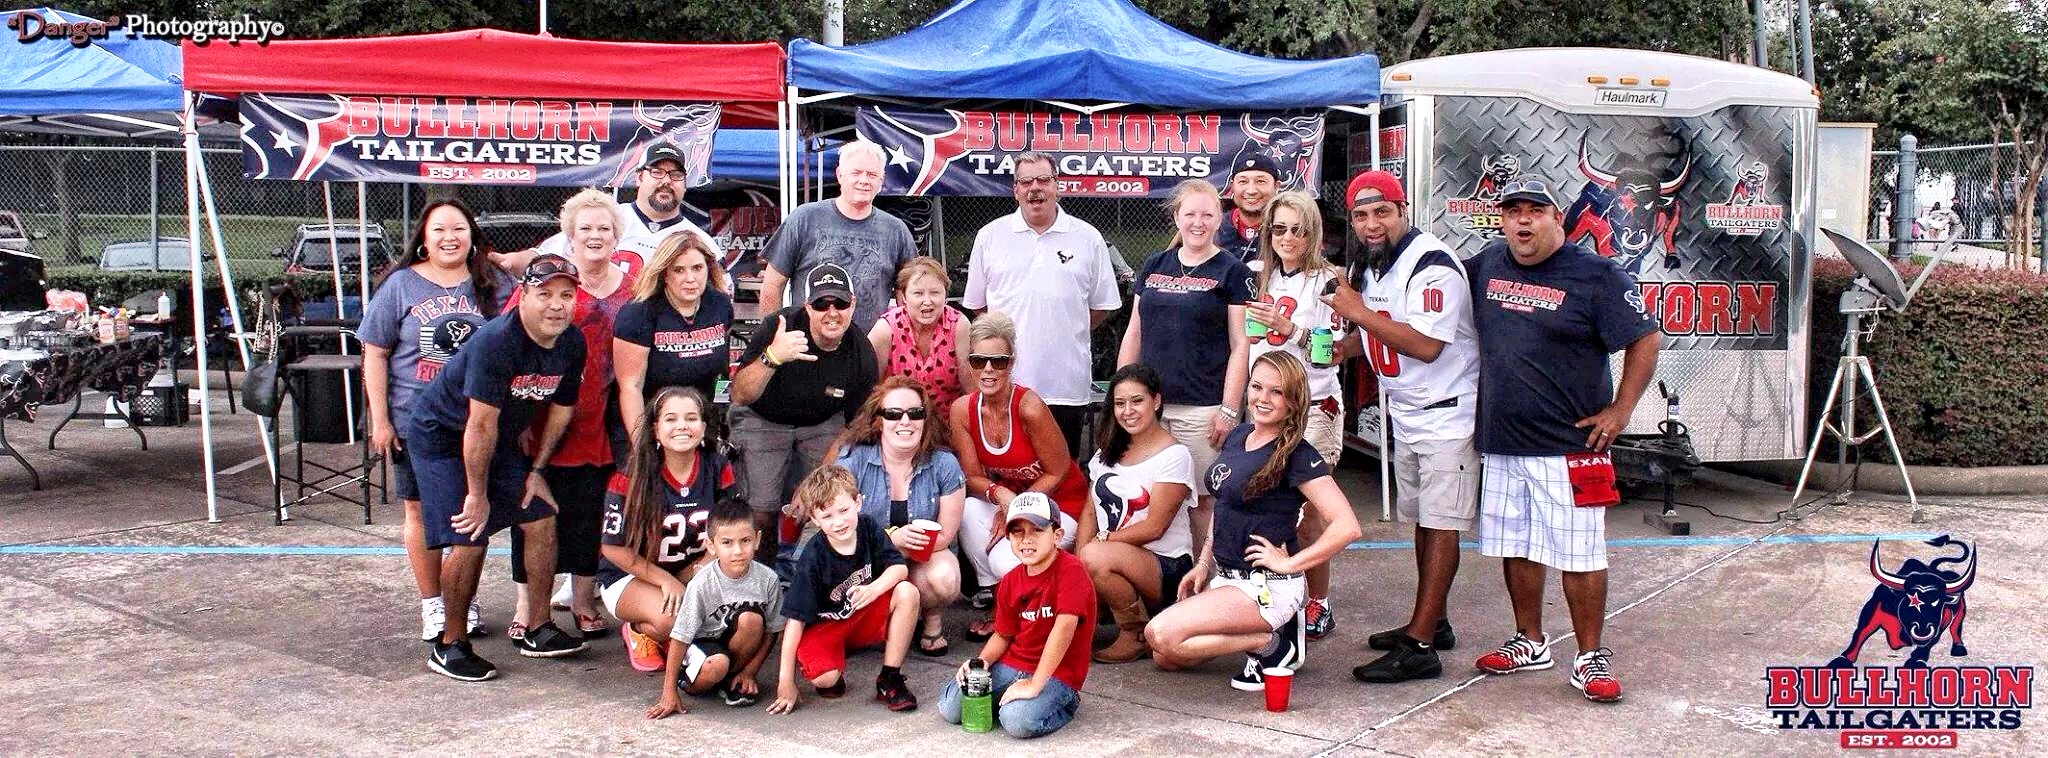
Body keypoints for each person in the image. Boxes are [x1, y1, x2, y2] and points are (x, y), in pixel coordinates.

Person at [1463, 178, 1660, 704]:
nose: (1523, 222)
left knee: (1580, 554)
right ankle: (1530, 640)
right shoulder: (1486, 265)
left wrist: (1621, 411)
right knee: (1516, 547)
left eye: (1535, 211)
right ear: (1501, 220)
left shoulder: (1597, 274)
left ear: (1559, 219)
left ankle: (1590, 656)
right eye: (1513, 212)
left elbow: (1645, 337)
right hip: (1503, 441)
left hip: (1572, 447)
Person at [1322, 171, 1481, 684]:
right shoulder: (1374, 266)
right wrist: (1322, 344)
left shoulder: (1431, 264)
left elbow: (1426, 346)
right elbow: (1372, 339)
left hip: (1446, 411)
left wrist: (1357, 312)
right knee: (1423, 520)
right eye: (1362, 215)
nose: (1371, 224)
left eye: (1382, 211)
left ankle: (1419, 646)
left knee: (1441, 523)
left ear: (1403, 208)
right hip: (1409, 412)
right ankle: (1432, 621)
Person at [404, 254, 592, 681]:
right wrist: (477, 494)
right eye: (544, 294)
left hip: (498, 438)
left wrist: (536, 470)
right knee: (471, 533)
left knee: (541, 517)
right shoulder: (497, 341)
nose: (557, 305)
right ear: (523, 295)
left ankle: (538, 627)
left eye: (567, 295)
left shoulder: (571, 343)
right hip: (444, 436)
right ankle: (450, 645)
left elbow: (561, 413)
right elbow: (479, 424)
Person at [1144, 352, 1362, 692]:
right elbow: (1225, 504)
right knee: (1166, 657)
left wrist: (1290, 563)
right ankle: (1264, 637)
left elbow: (1347, 526)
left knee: (1159, 634)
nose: (1262, 398)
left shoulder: (1298, 454)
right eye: (1257, 387)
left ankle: (1272, 645)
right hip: (1227, 580)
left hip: (1267, 586)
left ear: (1293, 401)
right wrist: (1204, 563)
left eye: (1276, 392)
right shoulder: (1238, 435)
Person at [361, 199, 507, 643]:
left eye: (459, 228)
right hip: (414, 419)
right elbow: (375, 353)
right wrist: (381, 420)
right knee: (420, 511)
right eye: (439, 229)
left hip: (477, 421)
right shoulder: (401, 284)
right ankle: (433, 603)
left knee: (470, 515)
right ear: (423, 238)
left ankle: (462, 599)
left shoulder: (493, 283)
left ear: (472, 234)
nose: (449, 237)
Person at [508, 189, 636, 639]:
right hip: (541, 415)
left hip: (601, 418)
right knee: (532, 512)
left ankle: (583, 599)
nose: (595, 236)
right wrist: (519, 417)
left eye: (604, 228)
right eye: (586, 228)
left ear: (617, 235)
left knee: (588, 513)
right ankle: (527, 607)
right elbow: (512, 338)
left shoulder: (632, 287)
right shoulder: (547, 279)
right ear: (569, 234)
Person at [1118, 179, 1252, 567]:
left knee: (1202, 500)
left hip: (1202, 409)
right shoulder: (1153, 265)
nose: (1198, 222)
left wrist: (1229, 409)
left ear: (1219, 220)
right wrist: (1124, 394)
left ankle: (1205, 582)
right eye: (1190, 214)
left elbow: (1241, 344)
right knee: (1145, 496)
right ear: (1176, 217)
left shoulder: (1232, 271)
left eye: (1207, 215)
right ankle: (1157, 582)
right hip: (1150, 408)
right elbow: (1134, 331)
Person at [961, 152, 1123, 455]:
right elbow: (979, 307)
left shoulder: (1088, 238)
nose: (1035, 188)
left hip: (1065, 387)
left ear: (1057, 186)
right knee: (1009, 470)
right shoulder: (990, 236)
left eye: (1043, 180)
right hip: (1006, 383)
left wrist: (1066, 328)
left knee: (1062, 475)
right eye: (1026, 182)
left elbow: (1102, 306)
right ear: (1016, 190)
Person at [1244, 190, 1350, 642]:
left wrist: (1294, 332)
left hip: (1315, 408)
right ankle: (1279, 591)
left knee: (1312, 515)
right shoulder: (1262, 275)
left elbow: (1332, 356)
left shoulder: (1328, 280)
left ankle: (1317, 603)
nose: (1288, 237)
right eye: (1279, 228)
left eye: (1298, 229)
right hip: (1267, 409)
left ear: (1314, 233)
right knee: (1270, 506)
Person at [950, 312, 1092, 638]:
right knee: (969, 510)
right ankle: (996, 600)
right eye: (979, 360)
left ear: (1011, 362)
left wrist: (1019, 509)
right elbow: (971, 475)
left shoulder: (1029, 407)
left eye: (998, 361)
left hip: (1062, 505)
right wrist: (1001, 497)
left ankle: (1030, 610)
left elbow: (1058, 471)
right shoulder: (963, 411)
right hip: (1011, 499)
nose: (988, 370)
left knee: (1008, 562)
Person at [730, 263, 880, 563]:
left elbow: (854, 426)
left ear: (853, 304)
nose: (832, 311)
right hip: (764, 418)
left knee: (828, 499)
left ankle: (815, 575)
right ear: (807, 306)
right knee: (761, 508)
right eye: (821, 303)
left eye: (840, 302)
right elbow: (739, 394)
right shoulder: (778, 327)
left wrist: (813, 480)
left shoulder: (861, 352)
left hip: (823, 422)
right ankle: (761, 582)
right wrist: (772, 357)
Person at [596, 386, 737, 674]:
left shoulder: (716, 467)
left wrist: (693, 573)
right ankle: (639, 630)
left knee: (738, 620)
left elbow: (730, 531)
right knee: (674, 619)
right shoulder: (631, 475)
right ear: (655, 430)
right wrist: (664, 580)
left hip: (693, 570)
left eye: (691, 418)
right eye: (671, 419)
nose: (682, 426)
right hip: (631, 575)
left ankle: (666, 638)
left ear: (704, 426)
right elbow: (612, 548)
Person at [826, 376, 966, 657]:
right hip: (866, 560)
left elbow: (946, 535)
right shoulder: (852, 461)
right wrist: (891, 539)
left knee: (945, 577)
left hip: (920, 558)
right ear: (878, 421)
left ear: (925, 419)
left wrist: (906, 545)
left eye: (915, 413)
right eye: (893, 414)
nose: (906, 421)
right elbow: (834, 527)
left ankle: (931, 618)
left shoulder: (944, 464)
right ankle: (886, 618)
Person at [937, 493, 1096, 739]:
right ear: (1008, 536)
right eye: (1017, 532)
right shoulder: (1011, 580)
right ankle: (1009, 699)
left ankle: (1064, 704)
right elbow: (1002, 635)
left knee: (1016, 721)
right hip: (1013, 664)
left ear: (1057, 536)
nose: (1026, 540)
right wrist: (981, 663)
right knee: (952, 708)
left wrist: (1035, 684)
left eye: (1037, 530)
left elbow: (1064, 629)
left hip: (1057, 673)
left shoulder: (1071, 570)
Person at [768, 465, 921, 715]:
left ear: (858, 503)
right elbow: (795, 620)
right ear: (814, 520)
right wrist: (785, 681)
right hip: (827, 625)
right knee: (825, 681)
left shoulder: (869, 527)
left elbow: (899, 568)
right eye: (827, 516)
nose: (839, 522)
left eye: (844, 510)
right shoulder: (813, 557)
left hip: (861, 612)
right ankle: (833, 660)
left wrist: (874, 589)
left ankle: (890, 677)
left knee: (907, 592)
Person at [1073, 364, 1193, 664]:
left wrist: (1102, 543)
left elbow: (1155, 527)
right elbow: (1089, 511)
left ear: (1156, 401)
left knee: (1095, 558)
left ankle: (1136, 633)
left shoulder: (1175, 455)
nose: (1128, 411)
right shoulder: (1105, 453)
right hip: (1110, 557)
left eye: (1137, 401)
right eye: (1120, 403)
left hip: (1164, 567)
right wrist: (1078, 565)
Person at [757, 139, 917, 328]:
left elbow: (907, 292)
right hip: (807, 347)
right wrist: (773, 336)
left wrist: (905, 341)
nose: (864, 180)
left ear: (881, 180)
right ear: (840, 175)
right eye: (856, 173)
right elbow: (772, 285)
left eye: (872, 175)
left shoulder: (896, 230)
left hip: (870, 348)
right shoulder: (804, 218)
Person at [647, 499, 784, 718]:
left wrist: (750, 672)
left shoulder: (768, 580)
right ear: (711, 545)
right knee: (716, 666)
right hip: (701, 644)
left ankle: (735, 679)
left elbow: (772, 632)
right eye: (727, 543)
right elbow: (681, 636)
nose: (738, 550)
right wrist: (668, 692)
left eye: (745, 540)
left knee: (752, 620)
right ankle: (690, 679)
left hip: (735, 644)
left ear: (757, 540)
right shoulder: (701, 583)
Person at [500, 144, 721, 273]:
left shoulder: (701, 241)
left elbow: (720, 298)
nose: (666, 181)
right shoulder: (606, 220)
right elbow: (544, 256)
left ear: (684, 183)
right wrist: (507, 262)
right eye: (656, 172)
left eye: (675, 175)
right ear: (639, 177)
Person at [614, 232, 733, 441]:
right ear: (664, 274)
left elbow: (721, 372)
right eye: (679, 270)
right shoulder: (637, 314)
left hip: (701, 423)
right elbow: (630, 387)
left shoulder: (720, 305)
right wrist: (641, 445)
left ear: (708, 268)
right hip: (651, 423)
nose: (690, 279)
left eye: (697, 268)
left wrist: (722, 413)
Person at [868, 257, 970, 414]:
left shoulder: (960, 326)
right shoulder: (885, 329)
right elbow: (868, 391)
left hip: (947, 428)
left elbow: (971, 391)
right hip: (897, 426)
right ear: (903, 297)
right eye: (918, 293)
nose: (927, 301)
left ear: (945, 294)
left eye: (935, 292)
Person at [1214, 155, 1283, 267]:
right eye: (1243, 181)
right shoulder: (1213, 226)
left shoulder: (1290, 227)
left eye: (1260, 181)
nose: (1251, 191)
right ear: (1232, 187)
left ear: (1276, 186)